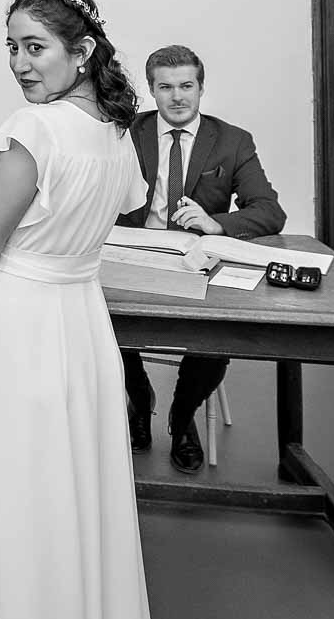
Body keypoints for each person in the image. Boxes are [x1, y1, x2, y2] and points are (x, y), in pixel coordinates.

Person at [0, 0, 154, 619]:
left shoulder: (36, 130)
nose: (21, 63)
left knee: (16, 484)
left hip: (20, 318)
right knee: (72, 483)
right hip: (81, 318)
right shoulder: (115, 134)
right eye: (12, 47)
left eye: (36, 47)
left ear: (82, 50)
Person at [117, 44, 285, 474]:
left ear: (201, 88)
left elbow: (269, 211)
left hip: (199, 263)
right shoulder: (124, 132)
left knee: (219, 332)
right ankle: (140, 400)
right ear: (152, 91)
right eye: (166, 87)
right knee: (97, 317)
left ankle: (183, 413)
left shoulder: (231, 141)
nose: (177, 97)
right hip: (137, 254)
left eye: (186, 86)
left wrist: (216, 224)